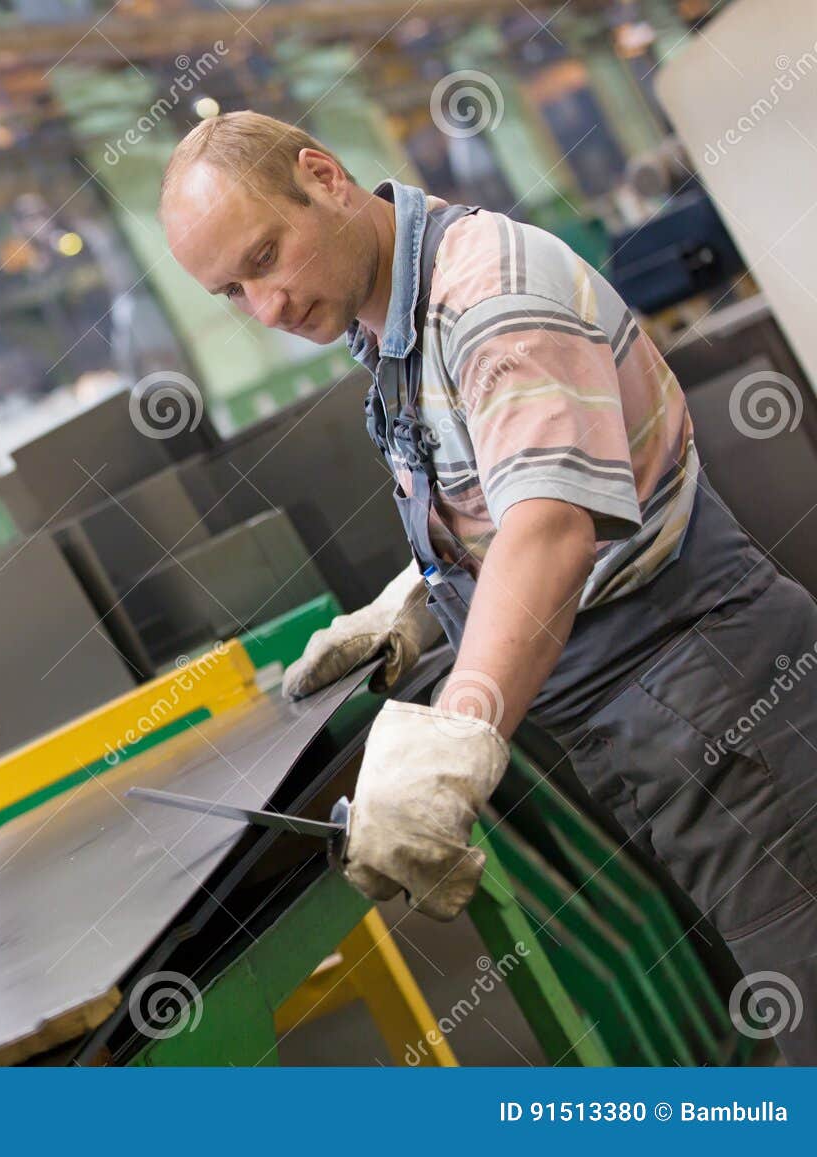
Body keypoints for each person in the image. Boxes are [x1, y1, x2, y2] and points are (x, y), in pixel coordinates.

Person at [159, 111, 817, 1062]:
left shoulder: (486, 297)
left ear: (325, 176)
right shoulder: (390, 308)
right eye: (232, 291)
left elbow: (550, 528)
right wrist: (428, 595)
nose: (266, 307)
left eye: (267, 255)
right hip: (644, 713)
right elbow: (499, 488)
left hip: (709, 686)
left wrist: (460, 727)